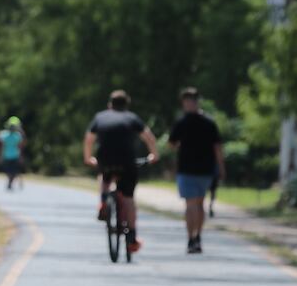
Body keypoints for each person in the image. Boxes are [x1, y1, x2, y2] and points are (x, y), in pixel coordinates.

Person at [83, 90, 159, 255]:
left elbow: (89, 138)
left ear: (110, 104)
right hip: (126, 161)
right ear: (126, 105)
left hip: (105, 159)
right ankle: (131, 238)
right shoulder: (131, 118)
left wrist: (88, 158)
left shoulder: (100, 117)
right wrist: (154, 155)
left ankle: (103, 201)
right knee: (129, 198)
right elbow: (149, 137)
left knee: (104, 175)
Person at [169, 87, 225, 254]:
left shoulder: (181, 122)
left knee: (191, 204)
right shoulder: (209, 122)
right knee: (199, 204)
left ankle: (191, 238)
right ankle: (197, 236)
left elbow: (171, 144)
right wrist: (221, 167)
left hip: (188, 169)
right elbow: (218, 148)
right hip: (205, 169)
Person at [0, 117, 26, 191]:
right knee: (7, 171)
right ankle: (10, 182)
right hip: (7, 155)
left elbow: (20, 146)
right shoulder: (4, 135)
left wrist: (21, 156)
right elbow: (2, 146)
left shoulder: (18, 135)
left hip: (15, 156)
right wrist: (0, 156)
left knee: (14, 172)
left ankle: (10, 183)